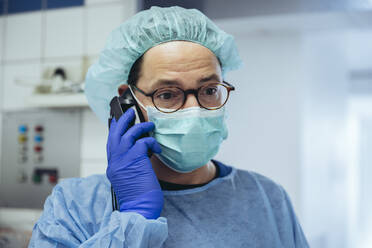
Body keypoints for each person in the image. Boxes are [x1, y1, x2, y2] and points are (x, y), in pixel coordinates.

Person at [29, 6, 309, 247]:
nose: (194, 109)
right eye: (167, 94)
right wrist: (134, 220)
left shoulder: (268, 199)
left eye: (209, 90)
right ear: (129, 100)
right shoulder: (75, 206)